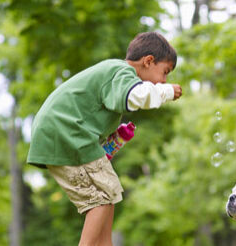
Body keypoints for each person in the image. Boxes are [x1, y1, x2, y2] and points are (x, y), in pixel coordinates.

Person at [26, 32, 182, 246]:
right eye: (164, 72)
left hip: (65, 134)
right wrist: (165, 91)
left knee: (109, 196)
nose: (164, 80)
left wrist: (114, 136)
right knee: (100, 201)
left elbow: (96, 110)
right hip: (66, 134)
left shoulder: (114, 75)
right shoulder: (121, 72)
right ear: (148, 61)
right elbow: (137, 96)